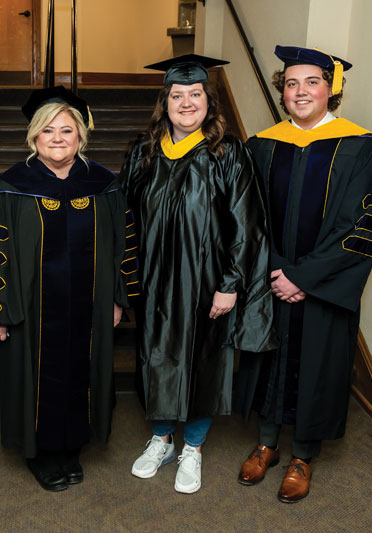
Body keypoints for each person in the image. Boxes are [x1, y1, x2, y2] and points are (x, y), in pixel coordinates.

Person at [235, 45, 372, 503]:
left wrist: (304, 277)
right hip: (273, 277)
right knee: (270, 356)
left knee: (317, 362)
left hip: (322, 284)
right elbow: (250, 218)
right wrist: (277, 271)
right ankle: (267, 442)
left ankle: (303, 453)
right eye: (291, 83)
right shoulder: (262, 145)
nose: (300, 91)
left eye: (312, 82)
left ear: (331, 89)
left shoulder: (364, 148)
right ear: (282, 92)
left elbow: (361, 225)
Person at [0, 86, 139, 492]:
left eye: (67, 130)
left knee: (83, 371)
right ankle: (40, 453)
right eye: (48, 131)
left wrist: (117, 298)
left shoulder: (103, 185)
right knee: (35, 376)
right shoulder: (11, 188)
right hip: (29, 312)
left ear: (81, 135)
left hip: (89, 308)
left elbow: (123, 244)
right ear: (33, 138)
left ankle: (72, 447)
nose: (58, 139)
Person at [120, 54, 274, 494]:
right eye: (177, 95)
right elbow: (125, 219)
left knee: (205, 363)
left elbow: (247, 225)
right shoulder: (143, 151)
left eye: (195, 94)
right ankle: (162, 438)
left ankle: (193, 448)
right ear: (164, 101)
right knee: (157, 357)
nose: (186, 102)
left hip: (208, 285)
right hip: (154, 283)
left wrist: (230, 285)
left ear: (209, 100)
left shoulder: (227, 153)